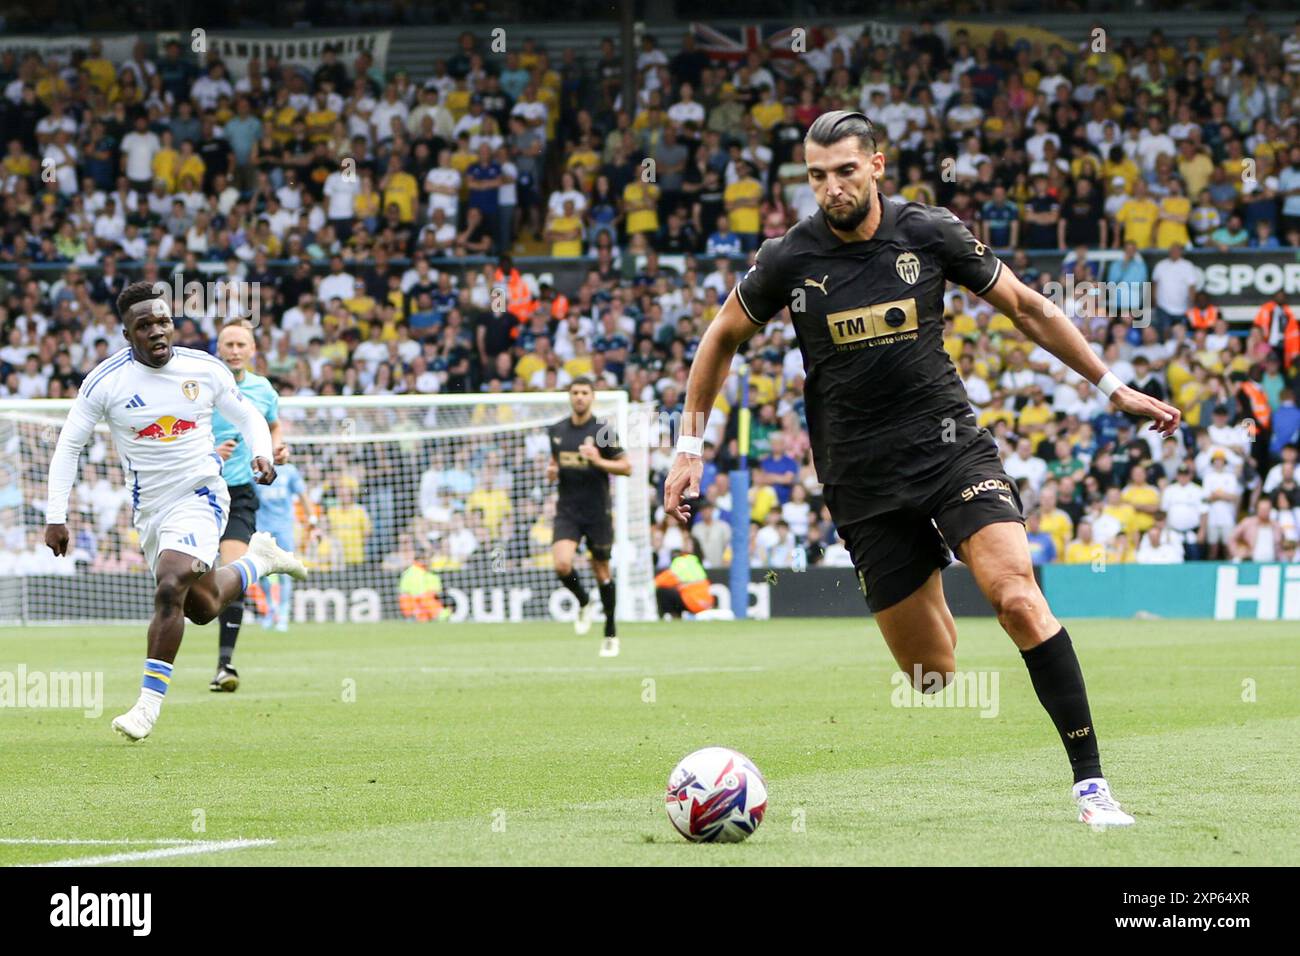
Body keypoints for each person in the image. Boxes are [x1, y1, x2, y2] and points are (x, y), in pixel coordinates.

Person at [664, 112, 1181, 827]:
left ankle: (1092, 787)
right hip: (861, 479)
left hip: (949, 451)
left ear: (876, 164)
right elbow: (720, 338)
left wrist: (1110, 385)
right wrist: (689, 447)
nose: (832, 187)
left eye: (846, 170)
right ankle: (927, 560)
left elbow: (1026, 308)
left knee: (1017, 597)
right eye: (817, 176)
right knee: (931, 674)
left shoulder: (928, 232)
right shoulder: (789, 257)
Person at [42, 282, 305, 741]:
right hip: (151, 510)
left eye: (163, 321)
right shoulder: (105, 383)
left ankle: (146, 707)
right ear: (128, 335)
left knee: (170, 583)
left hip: (202, 494)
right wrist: (55, 514)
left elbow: (248, 416)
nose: (158, 331)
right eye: (145, 326)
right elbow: (68, 446)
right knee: (200, 606)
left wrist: (261, 451)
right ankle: (259, 562)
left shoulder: (203, 369)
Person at [208, 321, 285, 692]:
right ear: (218, 348)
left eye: (241, 344)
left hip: (239, 493)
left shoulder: (263, 389)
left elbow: (273, 427)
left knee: (234, 572)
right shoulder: (202, 385)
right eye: (228, 344)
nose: (234, 350)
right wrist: (210, 452)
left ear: (252, 349)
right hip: (199, 491)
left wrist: (277, 449)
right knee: (189, 579)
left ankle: (225, 665)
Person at [546, 377, 632, 656]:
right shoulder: (557, 431)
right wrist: (551, 471)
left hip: (597, 512)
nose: (579, 397)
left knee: (602, 573)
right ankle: (584, 602)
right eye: (575, 393)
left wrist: (598, 461)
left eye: (584, 393)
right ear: (569, 397)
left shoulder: (603, 430)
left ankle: (610, 632)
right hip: (568, 511)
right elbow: (555, 462)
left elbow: (627, 467)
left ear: (592, 397)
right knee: (561, 564)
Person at [254, 459, 314, 631]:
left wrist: (312, 519)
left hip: (284, 528)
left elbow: (303, 496)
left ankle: (283, 613)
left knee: (285, 571)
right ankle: (271, 608)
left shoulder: (290, 471)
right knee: (261, 571)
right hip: (262, 527)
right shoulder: (257, 470)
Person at [654, 537, 715, 618]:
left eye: (687, 543)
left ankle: (674, 616)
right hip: (706, 603)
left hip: (692, 602)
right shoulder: (697, 562)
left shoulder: (683, 560)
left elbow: (665, 578)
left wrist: (650, 585)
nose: (684, 545)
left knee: (662, 591)